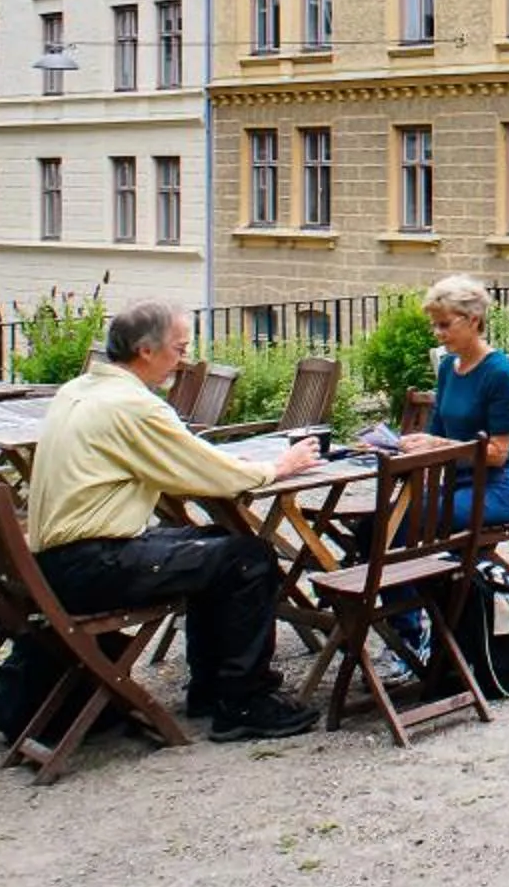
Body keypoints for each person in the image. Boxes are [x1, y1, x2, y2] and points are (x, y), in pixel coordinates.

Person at [20, 299, 323, 742]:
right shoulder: (131, 404)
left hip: (57, 563)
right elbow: (203, 472)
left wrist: (227, 465)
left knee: (218, 540)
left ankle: (211, 688)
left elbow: (185, 461)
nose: (183, 361)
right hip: (92, 564)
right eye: (179, 349)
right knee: (249, 558)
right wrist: (279, 467)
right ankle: (243, 701)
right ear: (146, 350)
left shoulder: (79, 390)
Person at [401, 274, 509, 528]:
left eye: (445, 325)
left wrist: (438, 444)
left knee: (410, 519)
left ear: (473, 320)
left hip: (494, 489)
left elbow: (498, 454)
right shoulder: (448, 367)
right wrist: (405, 445)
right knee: (379, 518)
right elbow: (436, 432)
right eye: (434, 325)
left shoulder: (499, 372)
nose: (437, 333)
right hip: (454, 485)